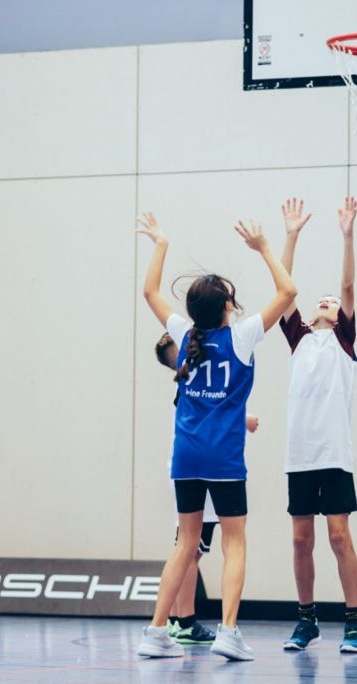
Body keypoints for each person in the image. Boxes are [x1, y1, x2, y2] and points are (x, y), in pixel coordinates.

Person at [135, 212, 297, 662]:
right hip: (224, 460)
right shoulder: (241, 337)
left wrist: (161, 243)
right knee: (234, 542)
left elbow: (149, 291)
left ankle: (154, 632)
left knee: (185, 543)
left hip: (185, 456)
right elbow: (288, 292)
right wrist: (265, 246)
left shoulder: (185, 334)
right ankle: (228, 630)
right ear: (227, 306)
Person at [276, 197, 357, 653]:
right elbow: (284, 289)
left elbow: (348, 284)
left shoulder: (343, 342)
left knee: (337, 535)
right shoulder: (299, 340)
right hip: (300, 455)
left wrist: (347, 235)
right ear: (313, 314)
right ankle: (306, 619)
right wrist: (290, 234)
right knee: (299, 540)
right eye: (323, 300)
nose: (330, 301)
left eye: (334, 302)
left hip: (334, 455)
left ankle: (354, 621)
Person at [152, 333, 260, 646]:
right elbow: (216, 417)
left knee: (188, 546)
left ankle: (174, 620)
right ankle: (183, 620)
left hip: (187, 466)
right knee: (191, 548)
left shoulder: (191, 380)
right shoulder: (193, 380)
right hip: (207, 468)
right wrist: (245, 417)